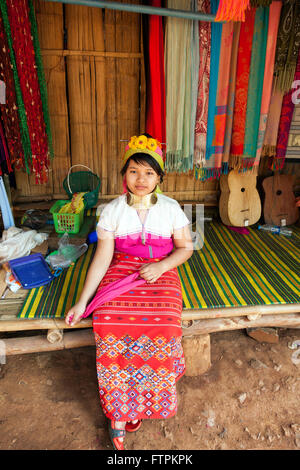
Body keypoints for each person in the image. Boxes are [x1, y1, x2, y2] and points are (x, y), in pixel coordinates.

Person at [65, 134, 193, 450]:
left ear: (159, 178)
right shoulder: (112, 211)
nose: (141, 179)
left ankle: (144, 397)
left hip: (161, 269)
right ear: (125, 174)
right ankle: (119, 412)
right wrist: (83, 302)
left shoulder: (172, 209)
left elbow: (186, 248)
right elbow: (103, 256)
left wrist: (161, 268)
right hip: (123, 268)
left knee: (164, 322)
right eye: (134, 170)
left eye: (149, 173)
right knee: (109, 318)